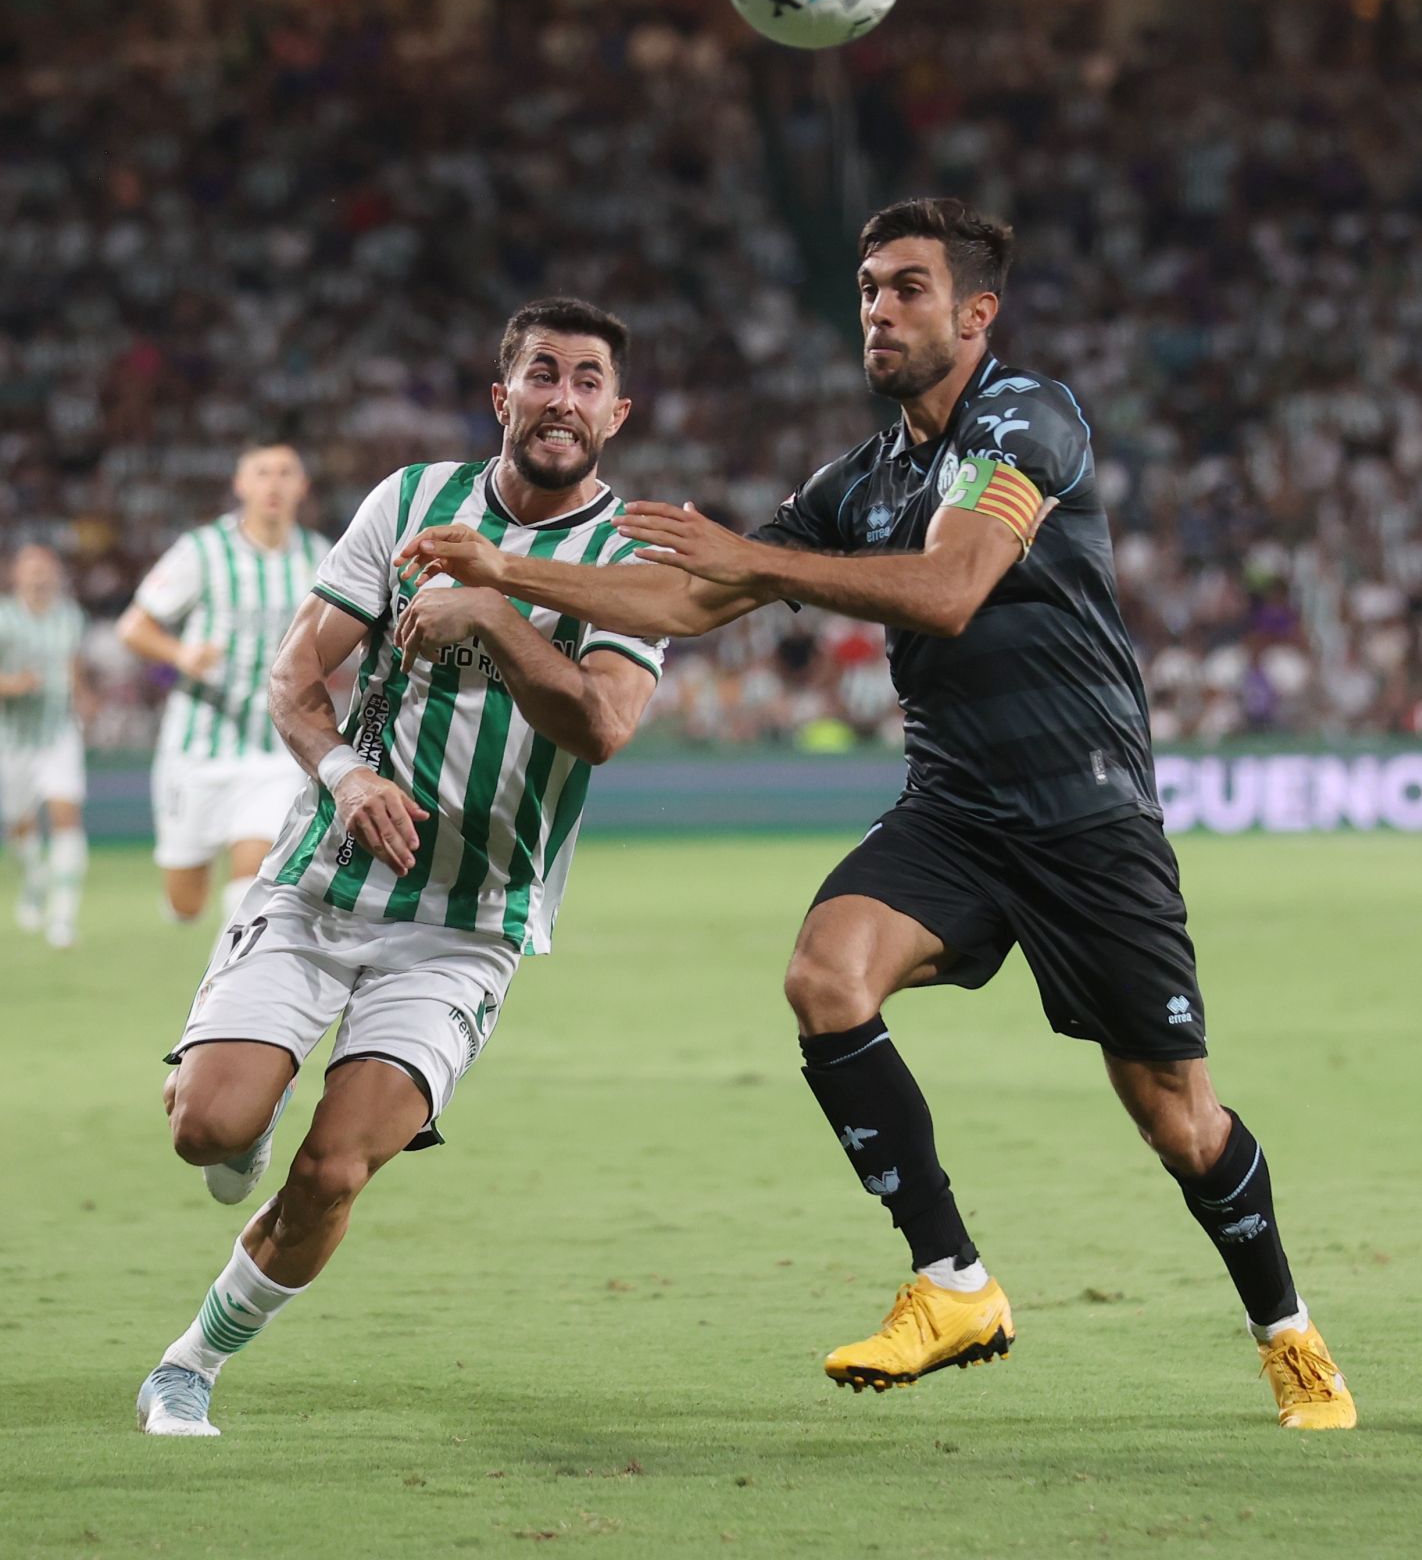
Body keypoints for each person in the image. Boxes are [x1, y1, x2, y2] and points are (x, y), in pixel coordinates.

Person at [395, 198, 1355, 1432]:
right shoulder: (860, 478)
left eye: (907, 288)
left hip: (1087, 816)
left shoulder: (1030, 418)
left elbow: (951, 589)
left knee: (1178, 1116)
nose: (879, 312)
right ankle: (952, 1281)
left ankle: (1289, 1335)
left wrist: (755, 561)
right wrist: (506, 573)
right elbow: (686, 602)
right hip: (954, 805)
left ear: (975, 312)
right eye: (866, 289)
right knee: (824, 975)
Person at [136, 298, 664, 1436]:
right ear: (502, 395)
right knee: (208, 1130)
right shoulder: (410, 502)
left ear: (616, 415)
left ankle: (192, 1360)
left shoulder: (633, 560)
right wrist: (345, 778)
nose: (560, 397)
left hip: (470, 920)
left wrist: (491, 606)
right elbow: (294, 679)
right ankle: (250, 1100)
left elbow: (603, 725)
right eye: (540, 373)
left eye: (585, 380)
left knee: (333, 1173)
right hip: (323, 884)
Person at [118, 441, 330, 933]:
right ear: (240, 485)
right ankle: (184, 904)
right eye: (261, 473)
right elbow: (133, 627)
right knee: (186, 901)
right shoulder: (203, 551)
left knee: (253, 882)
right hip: (198, 748)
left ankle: (228, 991)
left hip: (276, 748)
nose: (273, 484)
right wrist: (182, 655)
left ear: (302, 487)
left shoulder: (319, 557)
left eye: (284, 473)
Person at [0, 545, 92, 948]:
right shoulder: (4, 619)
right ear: (15, 575)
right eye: (30, 569)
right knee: (20, 823)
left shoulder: (70, 617)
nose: (38, 576)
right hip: (15, 738)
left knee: (66, 814)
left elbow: (73, 665)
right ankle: (35, 879)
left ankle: (63, 917)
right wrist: (13, 685)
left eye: (45, 569)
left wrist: (83, 695)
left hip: (59, 733)